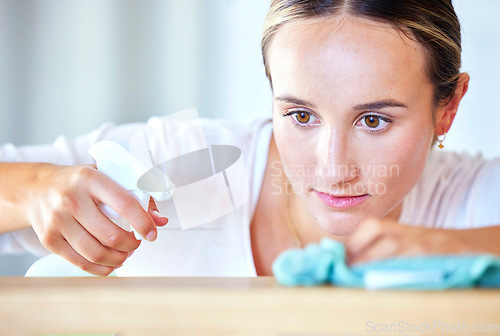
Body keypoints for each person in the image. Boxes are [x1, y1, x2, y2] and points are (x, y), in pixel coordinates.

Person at [1, 0, 499, 277]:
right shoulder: (182, 165)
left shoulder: (471, 199)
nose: (333, 168)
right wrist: (37, 188)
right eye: (301, 115)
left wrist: (449, 247)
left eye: (373, 121)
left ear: (447, 108)